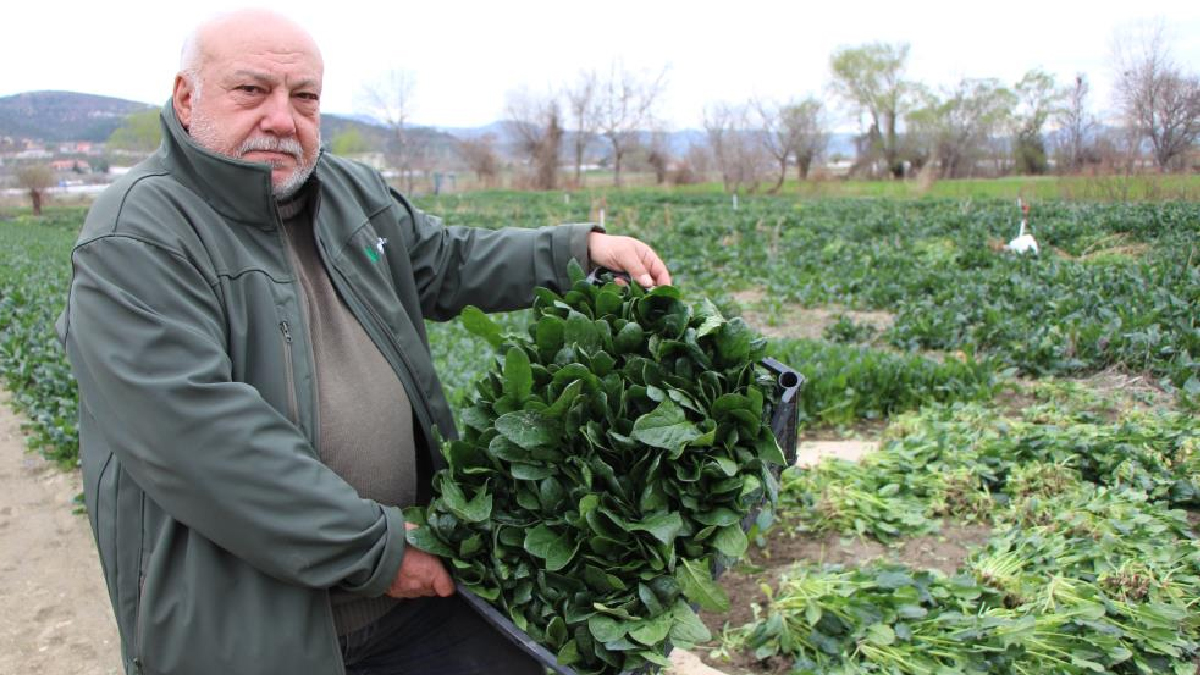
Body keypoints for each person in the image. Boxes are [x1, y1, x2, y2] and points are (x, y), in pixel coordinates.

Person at [58, 9, 670, 675]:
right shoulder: (138, 233)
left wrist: (575, 251)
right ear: (186, 96)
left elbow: (448, 258)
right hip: (255, 636)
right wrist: (375, 550)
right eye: (251, 90)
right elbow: (202, 440)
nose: (281, 119)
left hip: (407, 607)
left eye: (304, 97)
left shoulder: (349, 194)